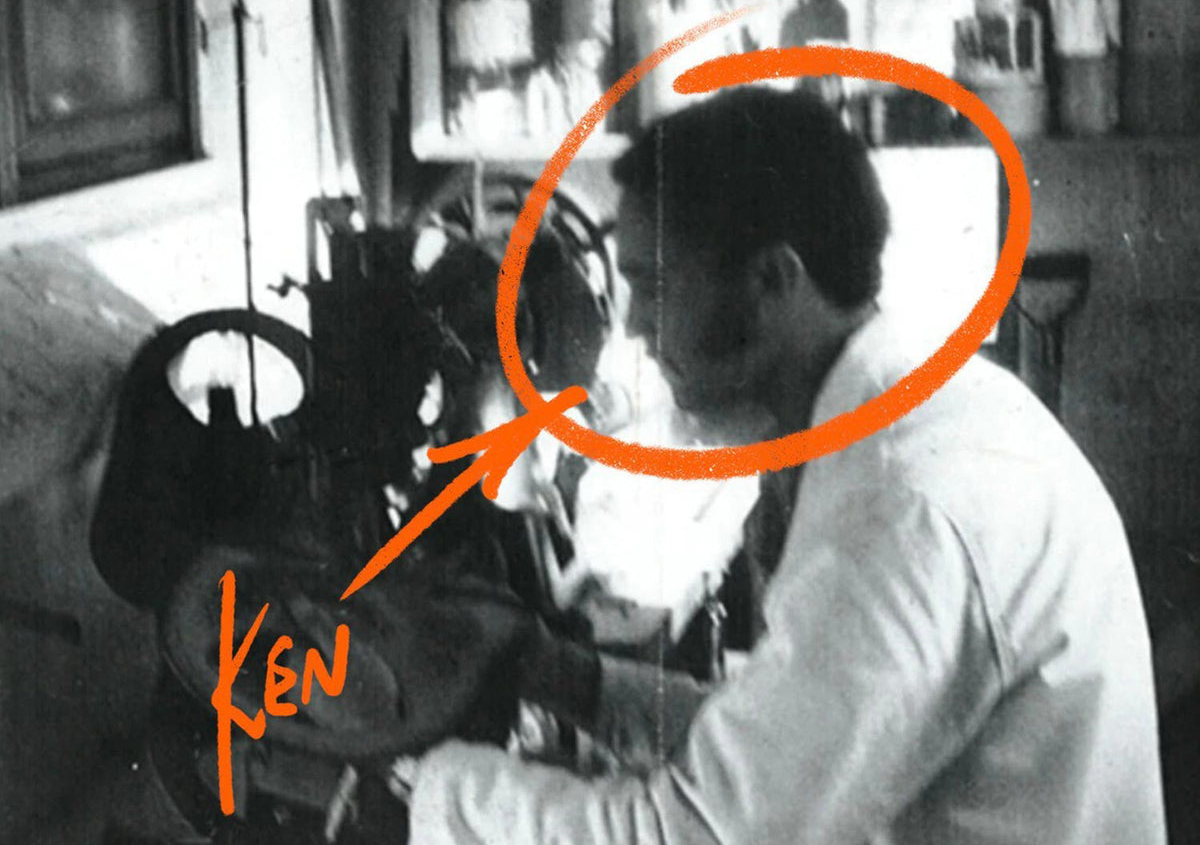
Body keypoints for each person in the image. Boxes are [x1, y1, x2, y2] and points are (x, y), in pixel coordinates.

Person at [397, 88, 1166, 844]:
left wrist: (416, 783)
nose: (632, 324)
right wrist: (561, 675)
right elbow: (777, 762)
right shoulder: (919, 412)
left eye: (653, 285)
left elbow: (702, 832)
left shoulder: (898, 505)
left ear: (773, 279)